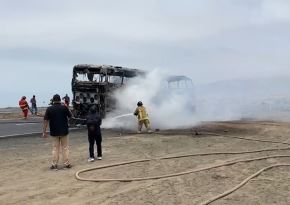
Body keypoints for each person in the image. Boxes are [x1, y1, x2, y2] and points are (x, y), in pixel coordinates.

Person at [42, 94, 72, 170]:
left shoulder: (49, 109)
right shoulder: (64, 107)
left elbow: (45, 121)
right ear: (59, 100)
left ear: (53, 100)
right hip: (64, 131)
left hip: (54, 132)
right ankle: (67, 163)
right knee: (65, 148)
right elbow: (70, 116)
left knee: (55, 148)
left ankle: (54, 164)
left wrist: (44, 132)